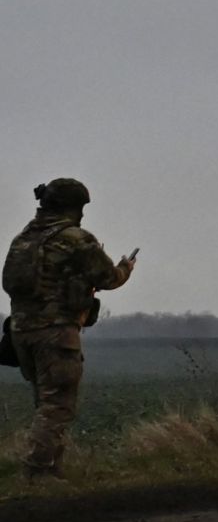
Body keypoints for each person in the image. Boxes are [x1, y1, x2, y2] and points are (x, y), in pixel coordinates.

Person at [3, 179, 136, 478]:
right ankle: (36, 473)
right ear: (73, 207)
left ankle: (52, 469)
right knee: (58, 405)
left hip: (21, 333)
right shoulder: (75, 238)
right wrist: (126, 267)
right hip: (56, 333)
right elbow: (108, 278)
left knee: (46, 401)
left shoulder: (24, 238)